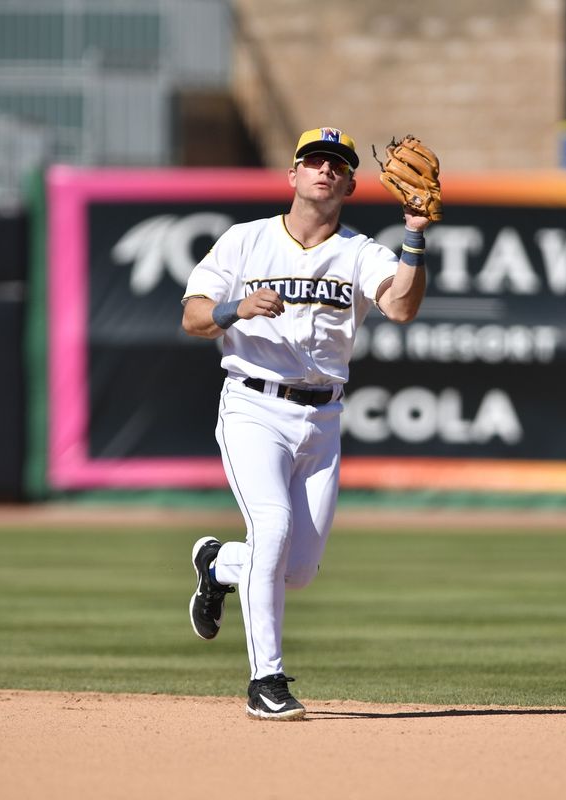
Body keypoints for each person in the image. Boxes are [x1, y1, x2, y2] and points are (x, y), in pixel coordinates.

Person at [181, 126, 433, 720]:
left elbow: (400, 306)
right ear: (292, 175)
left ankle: (218, 565)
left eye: (337, 164)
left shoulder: (361, 251)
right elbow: (192, 316)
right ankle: (265, 681)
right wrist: (233, 308)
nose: (325, 170)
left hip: (323, 417)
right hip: (252, 405)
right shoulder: (245, 242)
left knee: (295, 571)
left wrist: (416, 236)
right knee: (271, 525)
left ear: (349, 182)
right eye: (314, 161)